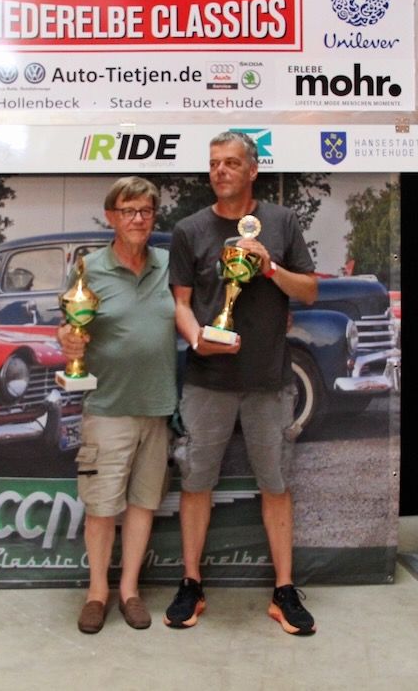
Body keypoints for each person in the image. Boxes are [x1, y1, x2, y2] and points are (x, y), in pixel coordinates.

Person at [166, 131, 320, 635]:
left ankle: (283, 590)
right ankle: (191, 583)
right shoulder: (190, 229)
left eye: (231, 163)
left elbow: (310, 291)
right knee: (196, 483)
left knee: (275, 484)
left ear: (253, 170)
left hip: (268, 379)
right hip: (207, 380)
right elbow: (181, 303)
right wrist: (197, 340)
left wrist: (270, 267)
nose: (221, 171)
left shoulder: (282, 222)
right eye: (214, 163)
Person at [57, 176, 176, 634]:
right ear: (111, 217)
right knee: (103, 507)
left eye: (146, 211)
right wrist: (68, 340)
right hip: (107, 407)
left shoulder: (168, 265)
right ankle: (96, 593)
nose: (138, 219)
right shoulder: (89, 268)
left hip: (158, 406)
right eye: (128, 211)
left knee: (144, 504)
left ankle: (129, 590)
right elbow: (67, 327)